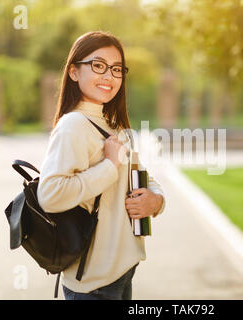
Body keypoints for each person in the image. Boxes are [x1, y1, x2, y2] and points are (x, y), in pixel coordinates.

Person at [37, 31, 165, 300]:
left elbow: (141, 176)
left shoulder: (113, 125)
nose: (109, 76)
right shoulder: (73, 126)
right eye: (98, 66)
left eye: (116, 69)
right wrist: (109, 166)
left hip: (121, 273)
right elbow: (50, 195)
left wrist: (155, 201)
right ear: (74, 72)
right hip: (93, 285)